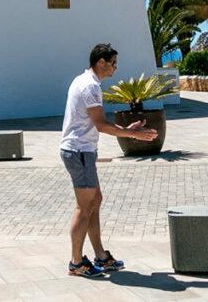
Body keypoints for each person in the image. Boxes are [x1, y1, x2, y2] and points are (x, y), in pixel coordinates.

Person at [60, 43, 158, 278]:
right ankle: (76, 263)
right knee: (84, 208)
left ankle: (101, 256)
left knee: (95, 200)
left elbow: (98, 122)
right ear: (100, 62)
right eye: (113, 63)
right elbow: (101, 125)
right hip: (79, 152)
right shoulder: (90, 86)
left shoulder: (84, 80)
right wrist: (132, 134)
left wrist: (126, 129)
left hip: (83, 151)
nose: (116, 67)